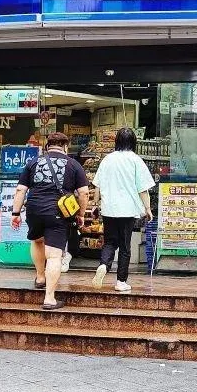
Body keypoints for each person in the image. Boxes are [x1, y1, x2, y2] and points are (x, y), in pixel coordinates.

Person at [11, 132, 88, 309]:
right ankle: (49, 298)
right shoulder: (73, 164)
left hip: (34, 209)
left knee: (37, 241)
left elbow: (20, 190)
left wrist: (15, 213)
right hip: (58, 211)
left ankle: (40, 277)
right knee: (54, 255)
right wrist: (81, 214)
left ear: (47, 146)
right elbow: (84, 192)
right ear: (65, 147)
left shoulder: (33, 162)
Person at [91, 127, 154, 293]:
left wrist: (96, 204)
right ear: (134, 142)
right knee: (125, 246)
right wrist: (148, 208)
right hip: (128, 210)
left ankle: (104, 265)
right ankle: (121, 281)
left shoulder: (107, 159)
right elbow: (143, 189)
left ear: (117, 141)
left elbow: (97, 185)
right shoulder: (135, 160)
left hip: (109, 209)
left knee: (110, 242)